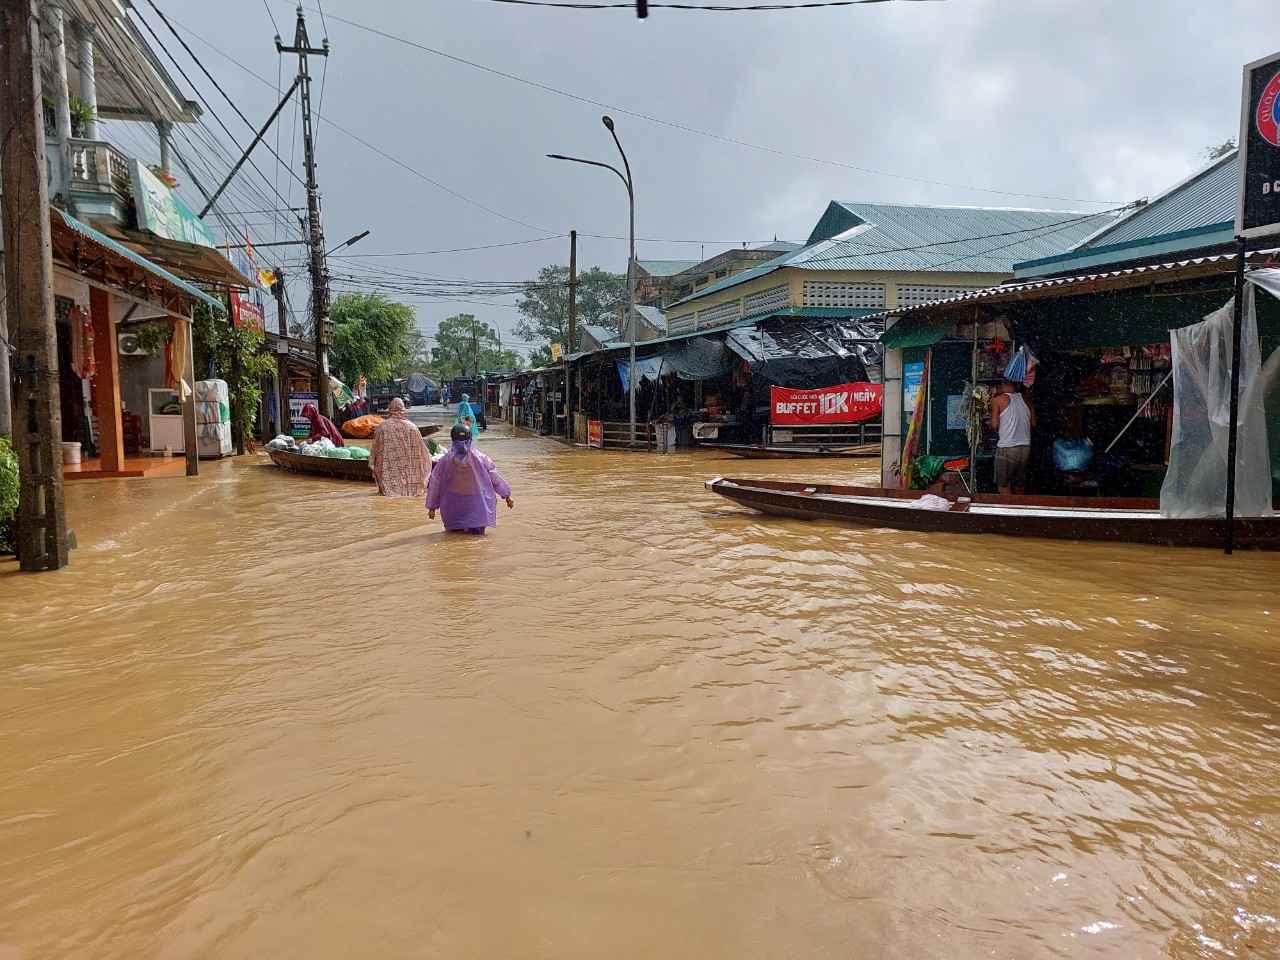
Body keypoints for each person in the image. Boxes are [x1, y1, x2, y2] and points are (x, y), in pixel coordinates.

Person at [425, 424, 513, 535]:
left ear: (452, 440)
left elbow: (435, 482)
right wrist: (506, 496)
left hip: (454, 502)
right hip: (476, 501)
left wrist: (432, 507)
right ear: (470, 439)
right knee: (477, 536)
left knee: (455, 537)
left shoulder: (445, 460)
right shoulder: (481, 458)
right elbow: (494, 477)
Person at [369, 398, 429, 497]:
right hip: (410, 477)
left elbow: (375, 451)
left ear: (390, 410)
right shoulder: (412, 427)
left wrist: (373, 463)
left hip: (388, 473)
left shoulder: (382, 427)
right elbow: (423, 453)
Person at [990, 379, 1035, 495]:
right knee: (1020, 485)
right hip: (1025, 448)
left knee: (1003, 485)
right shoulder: (1027, 400)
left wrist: (990, 423)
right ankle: (1020, 509)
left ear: (1004, 384)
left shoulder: (997, 400)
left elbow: (994, 425)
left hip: (1007, 447)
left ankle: (1010, 510)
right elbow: (1033, 424)